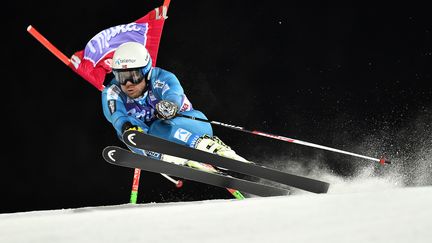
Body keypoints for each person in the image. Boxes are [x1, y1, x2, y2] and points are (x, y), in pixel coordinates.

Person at [101, 42, 248, 171]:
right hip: (158, 143)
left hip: (194, 127)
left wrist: (170, 106)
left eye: (133, 76)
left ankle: (210, 147)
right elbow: (116, 115)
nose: (128, 83)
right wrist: (126, 126)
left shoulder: (161, 78)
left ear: (145, 72)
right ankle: (172, 157)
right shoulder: (113, 91)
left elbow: (174, 93)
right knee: (127, 133)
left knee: (158, 126)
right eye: (121, 77)